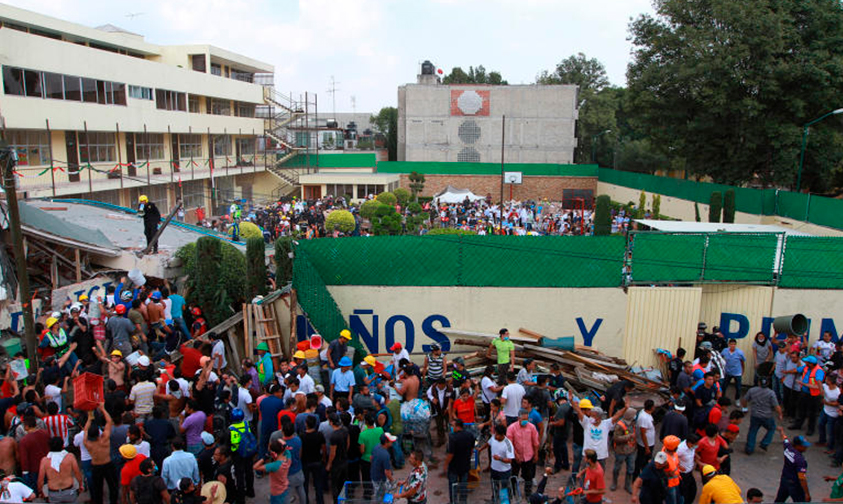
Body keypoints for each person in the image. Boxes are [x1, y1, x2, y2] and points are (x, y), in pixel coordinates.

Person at [84, 405, 119, 504]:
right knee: (113, 487)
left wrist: (89, 419)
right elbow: (109, 422)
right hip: (108, 464)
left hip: (96, 466)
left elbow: (85, 431)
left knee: (97, 489)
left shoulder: (88, 443)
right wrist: (103, 409)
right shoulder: (104, 440)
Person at [742, 376, 783, 454]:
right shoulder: (771, 393)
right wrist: (780, 414)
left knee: (753, 431)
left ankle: (749, 449)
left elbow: (744, 400)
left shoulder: (752, 390)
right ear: (768, 383)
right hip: (767, 416)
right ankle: (765, 443)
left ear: (759, 382)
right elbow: (776, 406)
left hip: (755, 415)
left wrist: (745, 408)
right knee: (772, 428)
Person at [37, 436, 83, 503]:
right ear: (62, 445)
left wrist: (40, 492)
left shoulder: (45, 461)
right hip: (69, 491)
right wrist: (80, 485)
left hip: (54, 493)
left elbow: (40, 480)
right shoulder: (70, 457)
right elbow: (77, 473)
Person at [774, 426, 812, 503]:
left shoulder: (788, 448)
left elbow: (784, 438)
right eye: (803, 446)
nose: (806, 447)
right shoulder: (800, 460)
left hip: (784, 480)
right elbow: (802, 478)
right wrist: (806, 493)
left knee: (779, 500)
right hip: (795, 484)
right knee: (800, 501)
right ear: (798, 446)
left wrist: (781, 431)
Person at [507, 408, 539, 496]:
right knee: (514, 475)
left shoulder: (532, 427)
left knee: (528, 476)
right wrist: (516, 455)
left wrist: (536, 454)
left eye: (526, 419)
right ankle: (513, 492)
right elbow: (510, 444)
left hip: (528, 456)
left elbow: (535, 442)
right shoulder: (511, 428)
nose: (525, 421)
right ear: (518, 418)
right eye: (523, 419)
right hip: (515, 456)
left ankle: (528, 493)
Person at [790, 355, 824, 436]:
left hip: (814, 395)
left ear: (811, 364)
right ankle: (798, 425)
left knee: (812, 413)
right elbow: (797, 370)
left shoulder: (818, 371)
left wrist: (803, 384)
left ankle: (811, 429)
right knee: (801, 409)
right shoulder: (806, 367)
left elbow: (818, 384)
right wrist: (786, 372)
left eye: (807, 362)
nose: (805, 363)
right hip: (804, 392)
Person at [228, 408, 255, 503]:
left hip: (237, 455)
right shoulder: (248, 425)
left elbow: (228, 444)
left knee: (239, 476)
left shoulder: (230, 429)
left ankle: (241, 498)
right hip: (248, 452)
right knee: (249, 472)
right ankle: (250, 491)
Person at [253, 439, 292, 504]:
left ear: (273, 453)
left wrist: (265, 457)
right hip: (285, 487)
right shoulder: (288, 457)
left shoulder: (274, 466)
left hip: (276, 492)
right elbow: (284, 444)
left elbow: (255, 467)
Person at [446, 419, 475, 504]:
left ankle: (453, 501)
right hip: (465, 464)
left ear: (457, 426)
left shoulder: (452, 437)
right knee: (463, 485)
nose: (452, 427)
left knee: (453, 485)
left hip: (454, 466)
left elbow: (450, 454)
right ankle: (463, 501)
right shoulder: (470, 435)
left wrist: (445, 464)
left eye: (453, 426)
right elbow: (472, 449)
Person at [611, 407, 637, 493]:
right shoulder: (619, 425)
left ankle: (627, 485)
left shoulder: (633, 423)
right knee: (617, 468)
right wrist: (629, 436)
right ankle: (614, 483)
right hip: (621, 451)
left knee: (631, 469)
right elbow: (616, 438)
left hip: (631, 450)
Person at [634, 399, 656, 479]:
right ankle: (638, 478)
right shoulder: (644, 418)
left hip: (648, 443)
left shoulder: (646, 414)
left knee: (645, 462)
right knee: (641, 462)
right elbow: (643, 433)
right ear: (652, 407)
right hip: (644, 445)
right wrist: (647, 447)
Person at [819, 373, 840, 450]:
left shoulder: (837, 392)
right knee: (821, 424)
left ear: (830, 381)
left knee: (831, 432)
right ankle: (822, 440)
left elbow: (837, 403)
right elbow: (820, 385)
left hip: (833, 414)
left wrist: (827, 403)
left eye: (827, 379)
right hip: (825, 410)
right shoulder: (826, 386)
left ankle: (831, 447)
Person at [676, 433, 700, 504]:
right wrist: (679, 466)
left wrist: (696, 456)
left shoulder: (691, 447)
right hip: (682, 474)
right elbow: (672, 458)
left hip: (689, 472)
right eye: (695, 444)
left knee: (693, 490)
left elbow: (691, 453)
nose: (696, 446)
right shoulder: (680, 449)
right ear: (689, 443)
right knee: (685, 492)